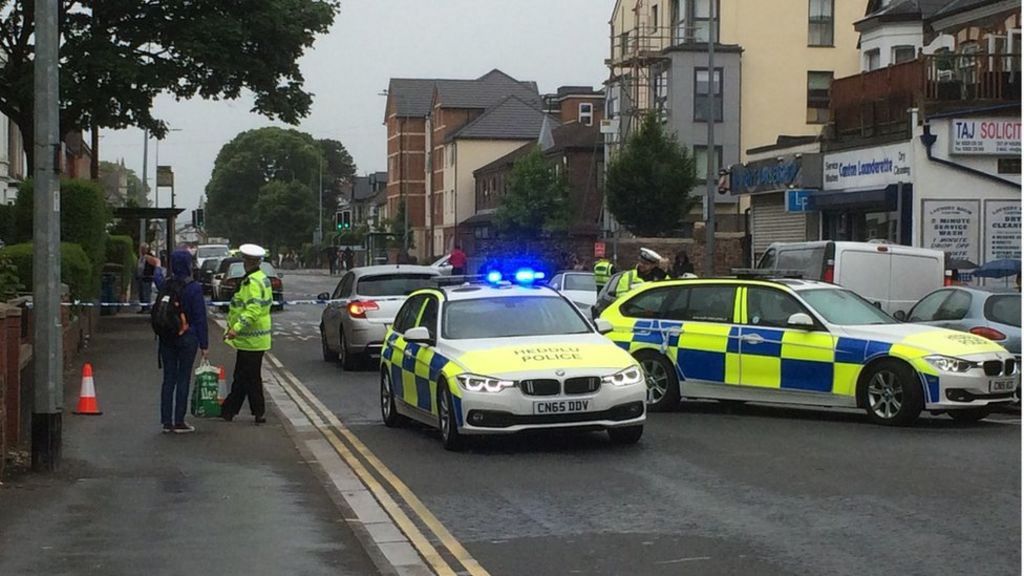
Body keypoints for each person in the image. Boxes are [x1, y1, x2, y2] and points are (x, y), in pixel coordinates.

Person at [155, 249, 209, 434]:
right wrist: (204, 344)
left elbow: (157, 278)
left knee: (168, 379)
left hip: (166, 337)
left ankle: (166, 421)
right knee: (183, 377)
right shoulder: (194, 288)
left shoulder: (165, 284)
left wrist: (157, 265)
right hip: (187, 337)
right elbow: (200, 317)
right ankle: (179, 420)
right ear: (188, 265)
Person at [221, 244, 273, 425]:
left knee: (249, 377)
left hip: (251, 337)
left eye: (245, 260)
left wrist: (236, 328)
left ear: (248, 262)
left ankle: (257, 412)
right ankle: (230, 410)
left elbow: (253, 310)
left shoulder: (251, 283)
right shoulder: (261, 278)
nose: (244, 263)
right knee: (243, 376)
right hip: (254, 338)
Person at [136, 243, 161, 313]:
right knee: (141, 294)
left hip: (147, 278)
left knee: (145, 293)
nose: (142, 250)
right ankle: (143, 308)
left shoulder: (149, 257)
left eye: (144, 249)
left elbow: (155, 264)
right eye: (141, 249)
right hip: (141, 277)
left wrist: (150, 273)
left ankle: (147, 308)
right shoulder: (141, 257)